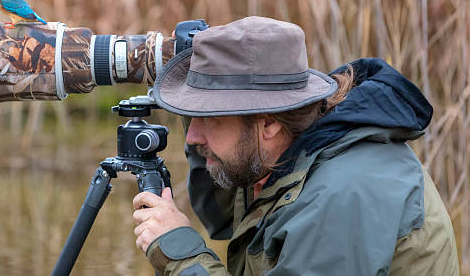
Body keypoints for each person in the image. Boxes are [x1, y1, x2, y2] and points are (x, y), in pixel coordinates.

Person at [132, 17, 459, 276]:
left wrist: (180, 253)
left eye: (212, 119)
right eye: (193, 117)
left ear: (269, 122)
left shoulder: (340, 196)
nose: (191, 138)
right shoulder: (277, 156)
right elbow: (221, 216)